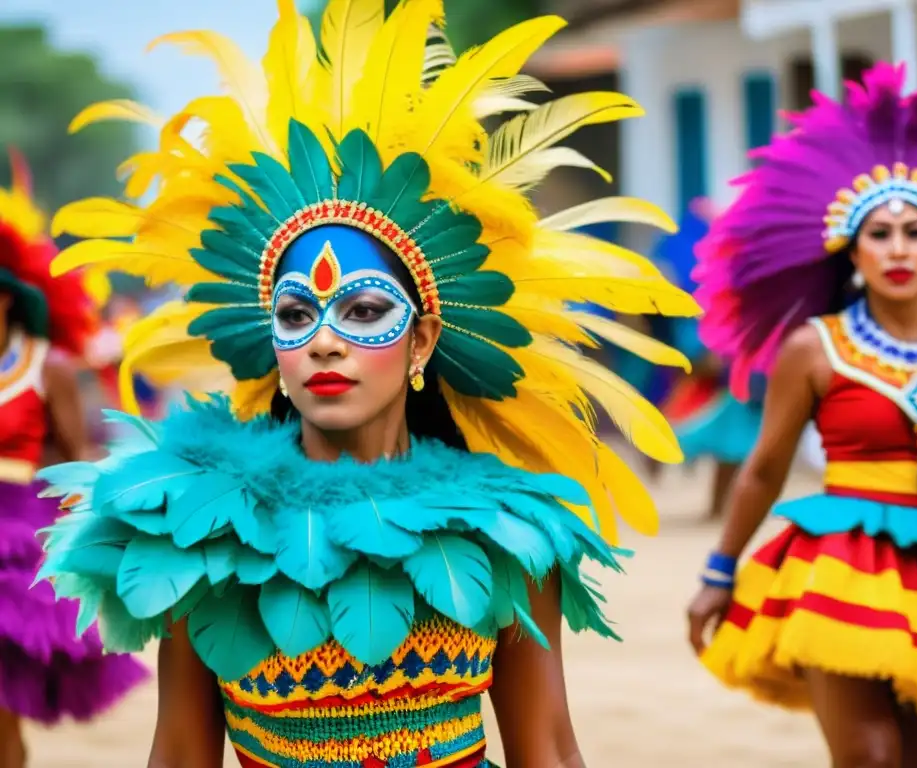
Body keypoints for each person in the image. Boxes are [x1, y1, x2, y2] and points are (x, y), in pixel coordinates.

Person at [35, 2, 698, 766]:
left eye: (364, 311)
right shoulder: (200, 537)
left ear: (422, 338)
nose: (324, 341)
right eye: (295, 314)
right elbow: (181, 754)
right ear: (272, 346)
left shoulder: (506, 534)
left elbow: (545, 749)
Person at [685, 62, 917, 767]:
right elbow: (765, 467)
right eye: (879, 234)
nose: (898, 248)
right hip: (841, 564)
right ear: (852, 249)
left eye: (914, 232)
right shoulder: (814, 347)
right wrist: (719, 573)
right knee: (870, 756)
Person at [0, 150, 148, 767]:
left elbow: (76, 456)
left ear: (8, 297)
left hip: (14, 539)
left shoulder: (48, 366)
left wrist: (86, 537)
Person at [657, 200, 763, 519]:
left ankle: (725, 508)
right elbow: (700, 335)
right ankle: (722, 508)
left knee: (738, 449)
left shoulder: (749, 281)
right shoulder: (713, 285)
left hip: (745, 376)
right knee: (731, 447)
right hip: (728, 378)